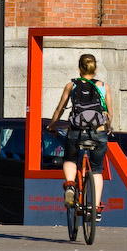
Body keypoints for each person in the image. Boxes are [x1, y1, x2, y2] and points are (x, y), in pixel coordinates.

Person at [47, 54, 113, 221]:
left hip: (77, 130)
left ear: (79, 69)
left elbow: (60, 108)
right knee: (97, 169)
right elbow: (110, 114)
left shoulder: (71, 85)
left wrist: (52, 125)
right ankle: (96, 208)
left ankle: (70, 184)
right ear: (95, 69)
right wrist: (108, 126)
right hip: (98, 132)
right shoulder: (104, 87)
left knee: (70, 158)